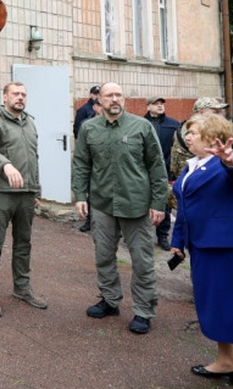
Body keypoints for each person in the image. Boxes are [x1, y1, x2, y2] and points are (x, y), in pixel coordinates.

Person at [170, 113, 233, 389]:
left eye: (194, 133)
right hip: (203, 248)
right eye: (187, 133)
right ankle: (226, 361)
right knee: (215, 307)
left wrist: (229, 161)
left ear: (214, 138)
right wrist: (178, 242)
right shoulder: (191, 167)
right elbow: (185, 208)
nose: (188, 137)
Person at [72, 83, 168, 334]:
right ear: (99, 100)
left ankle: (143, 311)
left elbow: (157, 167)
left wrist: (159, 203)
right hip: (102, 204)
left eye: (118, 95)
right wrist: (80, 195)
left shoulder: (142, 127)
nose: (115, 100)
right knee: (103, 256)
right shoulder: (89, 128)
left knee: (142, 260)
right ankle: (110, 300)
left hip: (136, 205)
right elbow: (81, 163)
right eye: (109, 96)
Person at [0, 82, 46, 317]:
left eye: (23, 94)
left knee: (23, 243)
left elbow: (33, 157)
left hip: (26, 194)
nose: (20, 98)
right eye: (15, 94)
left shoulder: (29, 121)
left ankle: (22, 287)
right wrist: (5, 165)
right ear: (5, 96)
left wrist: (36, 190)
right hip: (2, 193)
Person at [144, 96, 180, 251]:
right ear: (148, 107)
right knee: (141, 201)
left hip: (165, 170)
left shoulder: (173, 125)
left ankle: (163, 235)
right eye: (156, 104)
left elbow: (177, 148)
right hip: (143, 171)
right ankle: (141, 235)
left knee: (164, 203)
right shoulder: (140, 124)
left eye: (161, 104)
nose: (160, 106)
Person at [169, 97, 229, 180]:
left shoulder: (205, 128)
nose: (221, 116)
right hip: (194, 177)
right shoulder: (192, 130)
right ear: (201, 113)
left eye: (220, 112)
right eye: (216, 112)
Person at [76, 99, 103, 233]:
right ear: (95, 107)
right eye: (99, 105)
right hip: (92, 167)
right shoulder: (86, 124)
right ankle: (89, 221)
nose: (102, 107)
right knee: (91, 194)